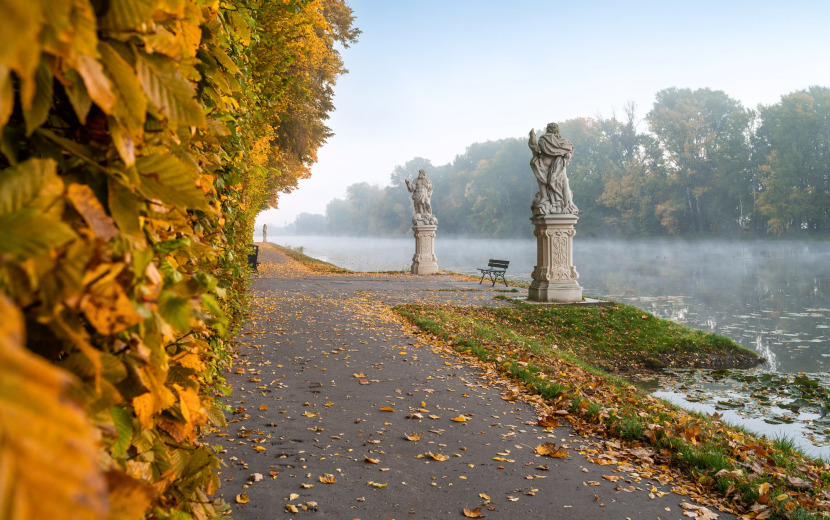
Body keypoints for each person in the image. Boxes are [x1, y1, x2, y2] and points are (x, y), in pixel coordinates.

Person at [528, 122, 578, 215]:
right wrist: (563, 160)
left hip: (548, 165)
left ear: (548, 129)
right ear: (557, 130)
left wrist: (532, 139)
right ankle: (555, 203)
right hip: (558, 168)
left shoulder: (544, 139)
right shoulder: (563, 142)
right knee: (557, 184)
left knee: (543, 180)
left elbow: (536, 149)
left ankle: (546, 198)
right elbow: (568, 153)